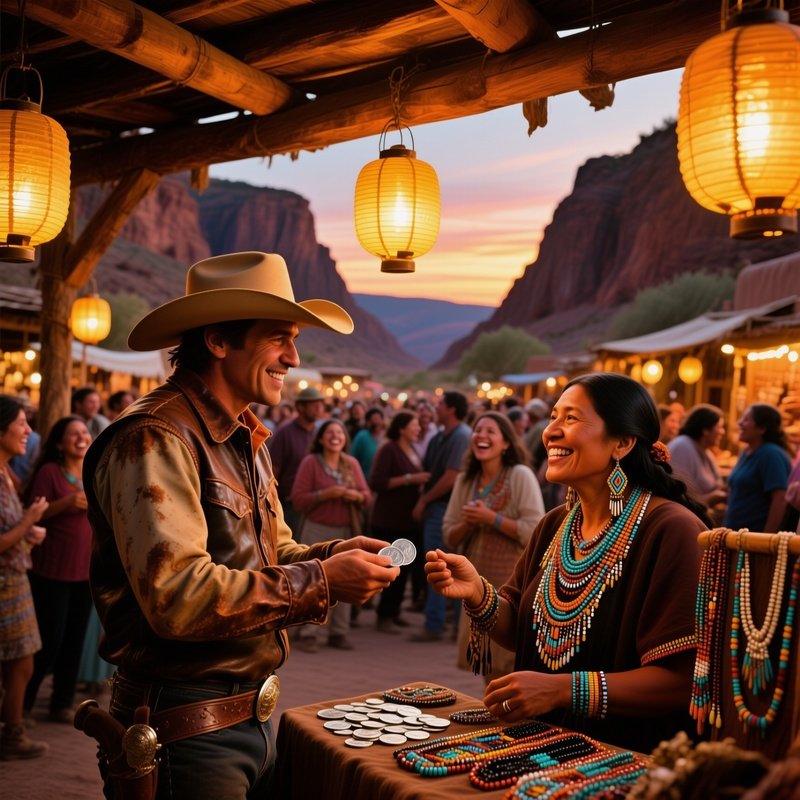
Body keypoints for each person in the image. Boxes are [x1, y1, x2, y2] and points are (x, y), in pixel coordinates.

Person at [84, 252, 399, 798]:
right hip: (182, 725)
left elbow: (271, 555)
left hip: (245, 716)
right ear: (218, 341)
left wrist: (335, 556)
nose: (293, 358)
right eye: (280, 337)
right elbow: (178, 597)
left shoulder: (244, 439)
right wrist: (325, 582)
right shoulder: (156, 436)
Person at [424, 373, 709, 753]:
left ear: (622, 443)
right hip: (536, 750)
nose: (550, 432)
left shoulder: (671, 530)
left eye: (571, 419)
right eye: (554, 416)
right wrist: (477, 593)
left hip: (623, 762)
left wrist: (564, 690)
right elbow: (522, 632)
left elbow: (683, 680)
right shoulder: (556, 523)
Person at [443, 412, 545, 683]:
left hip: (512, 584)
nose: (482, 436)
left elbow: (536, 530)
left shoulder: (520, 475)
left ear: (506, 443)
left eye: (490, 431)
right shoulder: (466, 481)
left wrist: (493, 519)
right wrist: (469, 522)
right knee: (488, 668)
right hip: (476, 582)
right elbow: (449, 535)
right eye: (478, 430)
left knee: (512, 665)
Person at [22, 416, 94, 722]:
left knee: (73, 641)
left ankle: (61, 703)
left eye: (84, 432)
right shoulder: (50, 472)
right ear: (60, 442)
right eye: (73, 433)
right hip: (51, 571)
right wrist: (66, 503)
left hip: (85, 571)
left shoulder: (92, 471)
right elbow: (34, 514)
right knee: (49, 641)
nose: (82, 437)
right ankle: (20, 702)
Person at [290, 419, 371, 652]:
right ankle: (308, 632)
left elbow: (367, 496)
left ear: (345, 438)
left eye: (339, 432)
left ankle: (338, 632)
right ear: (321, 438)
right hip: (317, 531)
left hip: (346, 532)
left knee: (349, 579)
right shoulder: (311, 462)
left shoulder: (351, 463)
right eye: (330, 432)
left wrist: (355, 496)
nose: (335, 436)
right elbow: (298, 499)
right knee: (314, 580)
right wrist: (326, 494)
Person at [0, 395, 48, 760]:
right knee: (20, 661)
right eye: (21, 423)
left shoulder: (7, 472)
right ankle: (12, 732)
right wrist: (29, 521)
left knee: (22, 659)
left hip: (13, 579)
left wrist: (26, 530)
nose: (28, 431)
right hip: (6, 583)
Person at [410, 391, 472, 642]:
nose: (436, 407)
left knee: (442, 565)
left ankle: (438, 624)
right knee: (440, 565)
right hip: (436, 507)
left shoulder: (461, 435)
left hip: (446, 507)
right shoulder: (440, 436)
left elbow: (451, 476)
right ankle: (446, 623)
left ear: (452, 409)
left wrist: (424, 499)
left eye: (441, 404)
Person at [369, 411, 430, 633]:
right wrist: (410, 479)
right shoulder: (389, 449)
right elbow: (377, 482)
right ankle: (383, 615)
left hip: (407, 521)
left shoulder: (412, 449)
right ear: (402, 428)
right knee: (389, 568)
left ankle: (394, 612)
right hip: (388, 520)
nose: (418, 429)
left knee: (404, 568)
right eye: (414, 425)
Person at [723, 403, 793, 532]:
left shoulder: (770, 454)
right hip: (737, 536)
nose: (739, 423)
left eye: (746, 420)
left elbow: (780, 498)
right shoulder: (746, 452)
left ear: (761, 428)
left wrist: (766, 539)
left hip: (755, 539)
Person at [267, 385, 326, 532]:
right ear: (300, 407)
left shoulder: (319, 434)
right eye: (314, 405)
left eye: (321, 405)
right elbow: (273, 470)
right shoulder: (284, 433)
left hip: (315, 503)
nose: (319, 409)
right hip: (288, 504)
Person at [668, 404, 727, 514]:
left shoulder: (706, 450)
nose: (722, 432)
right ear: (705, 429)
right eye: (719, 427)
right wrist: (712, 498)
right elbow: (679, 498)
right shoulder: (682, 446)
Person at [350, 406, 385, 480]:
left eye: (379, 419)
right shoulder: (362, 436)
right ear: (368, 422)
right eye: (374, 419)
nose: (377, 422)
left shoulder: (386, 437)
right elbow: (352, 457)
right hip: (365, 479)